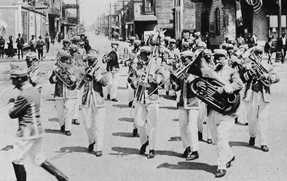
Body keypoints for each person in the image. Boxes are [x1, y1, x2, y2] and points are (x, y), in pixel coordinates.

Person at [8, 66, 69, 181]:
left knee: (16, 160)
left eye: (14, 79)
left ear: (20, 79)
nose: (13, 82)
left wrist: (12, 104)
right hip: (37, 129)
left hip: (27, 131)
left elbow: (12, 114)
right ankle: (61, 176)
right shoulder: (33, 89)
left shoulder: (23, 95)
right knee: (38, 158)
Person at [199, 48, 243, 177]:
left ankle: (221, 166)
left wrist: (225, 88)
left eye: (220, 57)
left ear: (226, 58)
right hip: (213, 109)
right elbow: (205, 85)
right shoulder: (211, 71)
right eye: (216, 57)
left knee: (222, 136)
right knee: (215, 139)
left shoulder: (231, 71)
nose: (218, 59)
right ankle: (229, 155)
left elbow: (239, 84)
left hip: (227, 110)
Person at [244, 47, 280, 152]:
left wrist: (267, 76)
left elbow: (277, 77)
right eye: (256, 53)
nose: (258, 55)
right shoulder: (248, 65)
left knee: (263, 119)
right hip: (251, 95)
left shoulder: (267, 66)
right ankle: (252, 136)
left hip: (264, 95)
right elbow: (243, 78)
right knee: (251, 119)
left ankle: (264, 142)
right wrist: (250, 71)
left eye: (260, 53)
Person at [134, 46, 165, 159]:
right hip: (140, 97)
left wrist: (154, 79)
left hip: (152, 98)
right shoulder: (138, 65)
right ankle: (144, 141)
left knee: (152, 125)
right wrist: (135, 80)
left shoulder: (155, 64)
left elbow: (163, 77)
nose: (145, 56)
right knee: (139, 123)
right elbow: (133, 78)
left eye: (147, 54)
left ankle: (152, 148)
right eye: (143, 54)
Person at [170, 51, 200, 160]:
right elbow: (177, 87)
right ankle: (187, 147)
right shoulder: (181, 70)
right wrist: (173, 83)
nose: (183, 61)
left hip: (193, 101)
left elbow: (198, 84)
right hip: (182, 101)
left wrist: (188, 77)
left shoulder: (197, 70)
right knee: (182, 126)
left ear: (191, 59)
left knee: (192, 126)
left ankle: (195, 150)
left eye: (186, 59)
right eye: (182, 59)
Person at [79, 52, 109, 156]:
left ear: (96, 60)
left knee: (99, 125)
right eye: (88, 60)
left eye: (91, 60)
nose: (89, 62)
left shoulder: (101, 68)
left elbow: (106, 82)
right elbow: (78, 85)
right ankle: (91, 141)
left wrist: (97, 76)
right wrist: (83, 76)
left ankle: (99, 147)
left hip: (98, 100)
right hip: (86, 99)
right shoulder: (85, 68)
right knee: (87, 124)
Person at [49, 39, 76, 136]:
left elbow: (76, 80)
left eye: (66, 59)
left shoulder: (72, 68)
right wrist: (54, 78)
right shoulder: (56, 69)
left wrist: (73, 79)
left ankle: (68, 128)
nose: (65, 61)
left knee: (69, 110)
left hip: (69, 92)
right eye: (63, 59)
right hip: (59, 92)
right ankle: (62, 125)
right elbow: (50, 80)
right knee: (60, 111)